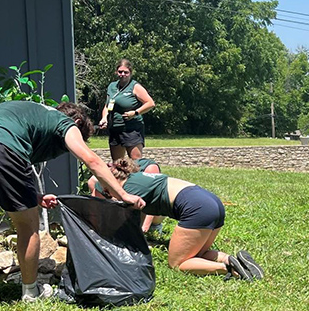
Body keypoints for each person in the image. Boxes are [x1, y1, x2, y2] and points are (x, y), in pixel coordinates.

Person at [0, 101, 146, 311]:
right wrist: (123, 194)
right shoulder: (65, 123)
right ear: (77, 122)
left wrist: (33, 196)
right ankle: (31, 293)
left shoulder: (34, 114)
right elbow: (90, 159)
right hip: (2, 149)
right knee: (27, 228)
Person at [101, 158, 264, 281]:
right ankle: (232, 259)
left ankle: (228, 268)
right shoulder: (139, 178)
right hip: (212, 202)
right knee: (196, 256)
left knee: (177, 264)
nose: (108, 194)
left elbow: (119, 225)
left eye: (106, 190)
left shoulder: (128, 189)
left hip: (197, 207)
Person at [98, 59, 155, 162]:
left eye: (126, 72)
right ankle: (120, 179)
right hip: (115, 128)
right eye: (120, 72)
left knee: (135, 161)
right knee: (118, 163)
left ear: (130, 73)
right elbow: (107, 106)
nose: (123, 74)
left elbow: (150, 103)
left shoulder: (135, 87)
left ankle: (137, 178)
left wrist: (135, 113)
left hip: (131, 129)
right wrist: (104, 118)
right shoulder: (112, 86)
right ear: (116, 72)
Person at [89, 157, 165, 233]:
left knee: (153, 214)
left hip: (152, 198)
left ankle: (155, 226)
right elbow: (93, 207)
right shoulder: (104, 182)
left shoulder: (148, 172)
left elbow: (151, 202)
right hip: (119, 183)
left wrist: (143, 230)